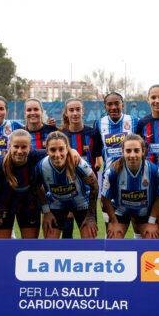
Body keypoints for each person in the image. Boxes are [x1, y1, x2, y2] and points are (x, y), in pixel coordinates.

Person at [0, 129, 47, 239]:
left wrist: (72, 152)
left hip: (29, 205)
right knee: (2, 249)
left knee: (29, 247)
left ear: (30, 147)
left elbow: (57, 150)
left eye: (24, 147)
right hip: (2, 206)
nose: (19, 151)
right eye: (16, 147)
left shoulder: (36, 156)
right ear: (9, 146)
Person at [35, 131, 99, 239]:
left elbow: (95, 186)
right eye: (52, 150)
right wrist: (46, 211)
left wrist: (91, 216)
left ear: (67, 148)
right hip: (56, 204)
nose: (57, 154)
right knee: (49, 245)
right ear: (46, 150)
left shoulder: (79, 163)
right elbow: (37, 187)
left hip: (82, 203)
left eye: (61, 149)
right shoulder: (41, 166)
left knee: (89, 244)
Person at [101, 134, 159, 239]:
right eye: (128, 151)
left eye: (136, 150)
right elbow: (105, 198)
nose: (132, 155)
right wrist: (114, 222)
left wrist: (151, 221)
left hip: (144, 213)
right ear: (123, 152)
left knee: (151, 236)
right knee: (114, 237)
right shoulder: (112, 171)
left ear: (143, 151)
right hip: (121, 212)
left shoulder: (153, 171)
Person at [61, 98, 103, 238]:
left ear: (83, 111)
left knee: (90, 237)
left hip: (88, 192)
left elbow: (98, 158)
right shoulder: (62, 135)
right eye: (71, 110)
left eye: (78, 109)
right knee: (66, 233)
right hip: (67, 191)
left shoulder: (93, 133)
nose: (75, 113)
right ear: (66, 113)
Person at [95, 92, 136, 227]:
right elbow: (96, 150)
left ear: (122, 105)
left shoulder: (134, 121)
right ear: (105, 107)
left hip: (133, 176)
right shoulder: (99, 123)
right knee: (108, 214)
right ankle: (110, 242)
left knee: (137, 213)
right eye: (109, 104)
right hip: (109, 176)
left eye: (116, 103)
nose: (113, 107)